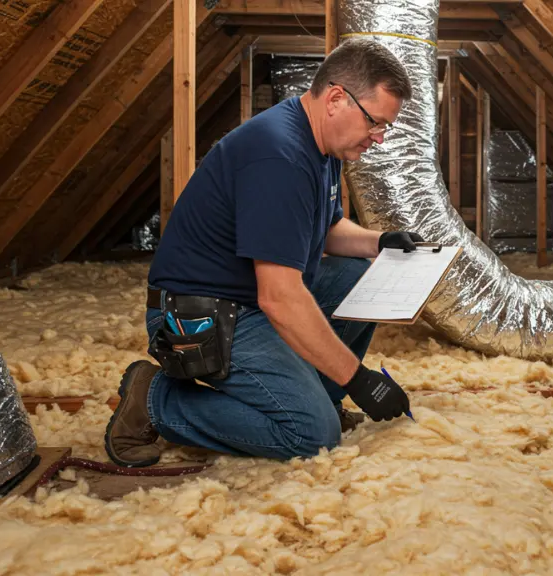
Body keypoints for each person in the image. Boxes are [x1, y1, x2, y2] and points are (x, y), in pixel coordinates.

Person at [104, 38, 423, 468]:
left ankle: (318, 400)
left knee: (358, 274)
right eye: (376, 123)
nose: (378, 138)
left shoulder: (322, 147)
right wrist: (358, 379)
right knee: (311, 436)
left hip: (244, 300)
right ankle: (155, 399)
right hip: (200, 315)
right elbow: (279, 297)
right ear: (335, 99)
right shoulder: (279, 155)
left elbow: (326, 229)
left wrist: (379, 241)